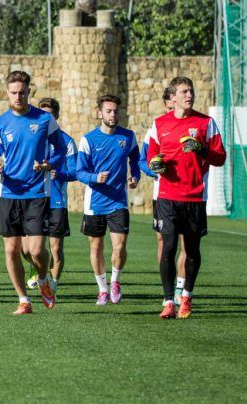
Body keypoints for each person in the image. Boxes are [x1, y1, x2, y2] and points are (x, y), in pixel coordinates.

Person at [146, 76, 226, 319]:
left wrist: (200, 149)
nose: (189, 95)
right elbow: (152, 157)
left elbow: (220, 158)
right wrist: (156, 165)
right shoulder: (159, 124)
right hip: (167, 196)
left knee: (191, 250)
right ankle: (168, 301)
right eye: (183, 91)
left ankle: (187, 297)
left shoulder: (206, 123)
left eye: (190, 91)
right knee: (168, 246)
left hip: (194, 197)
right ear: (172, 97)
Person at [0, 70, 66, 315]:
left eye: (22, 92)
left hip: (36, 192)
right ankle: (23, 300)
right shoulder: (0, 123)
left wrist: (48, 164)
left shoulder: (44, 120)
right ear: (7, 93)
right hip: (9, 193)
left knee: (35, 251)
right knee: (11, 250)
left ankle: (43, 279)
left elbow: (61, 150)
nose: (18, 96)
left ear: (29, 92)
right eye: (13, 92)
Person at [76, 94, 140, 306]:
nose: (113, 114)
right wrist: (95, 177)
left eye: (115, 111)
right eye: (109, 111)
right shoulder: (88, 139)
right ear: (100, 113)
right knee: (96, 248)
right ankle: (102, 289)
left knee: (119, 247)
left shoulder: (128, 137)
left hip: (118, 202)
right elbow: (79, 172)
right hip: (94, 203)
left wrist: (135, 176)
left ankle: (115, 281)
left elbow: (136, 159)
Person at [139, 88, 187, 305]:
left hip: (187, 193)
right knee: (164, 241)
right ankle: (167, 288)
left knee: (186, 243)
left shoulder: (192, 126)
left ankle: (180, 287)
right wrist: (154, 170)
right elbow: (143, 161)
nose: (172, 111)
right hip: (163, 194)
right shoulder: (156, 128)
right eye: (168, 108)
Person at [39, 98, 77, 294]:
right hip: (34, 199)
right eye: (43, 114)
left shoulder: (67, 142)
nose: (47, 118)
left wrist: (60, 174)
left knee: (55, 247)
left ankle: (52, 285)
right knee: (31, 248)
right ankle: (40, 276)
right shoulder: (32, 138)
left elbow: (75, 172)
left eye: (50, 115)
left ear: (57, 116)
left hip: (56, 202)